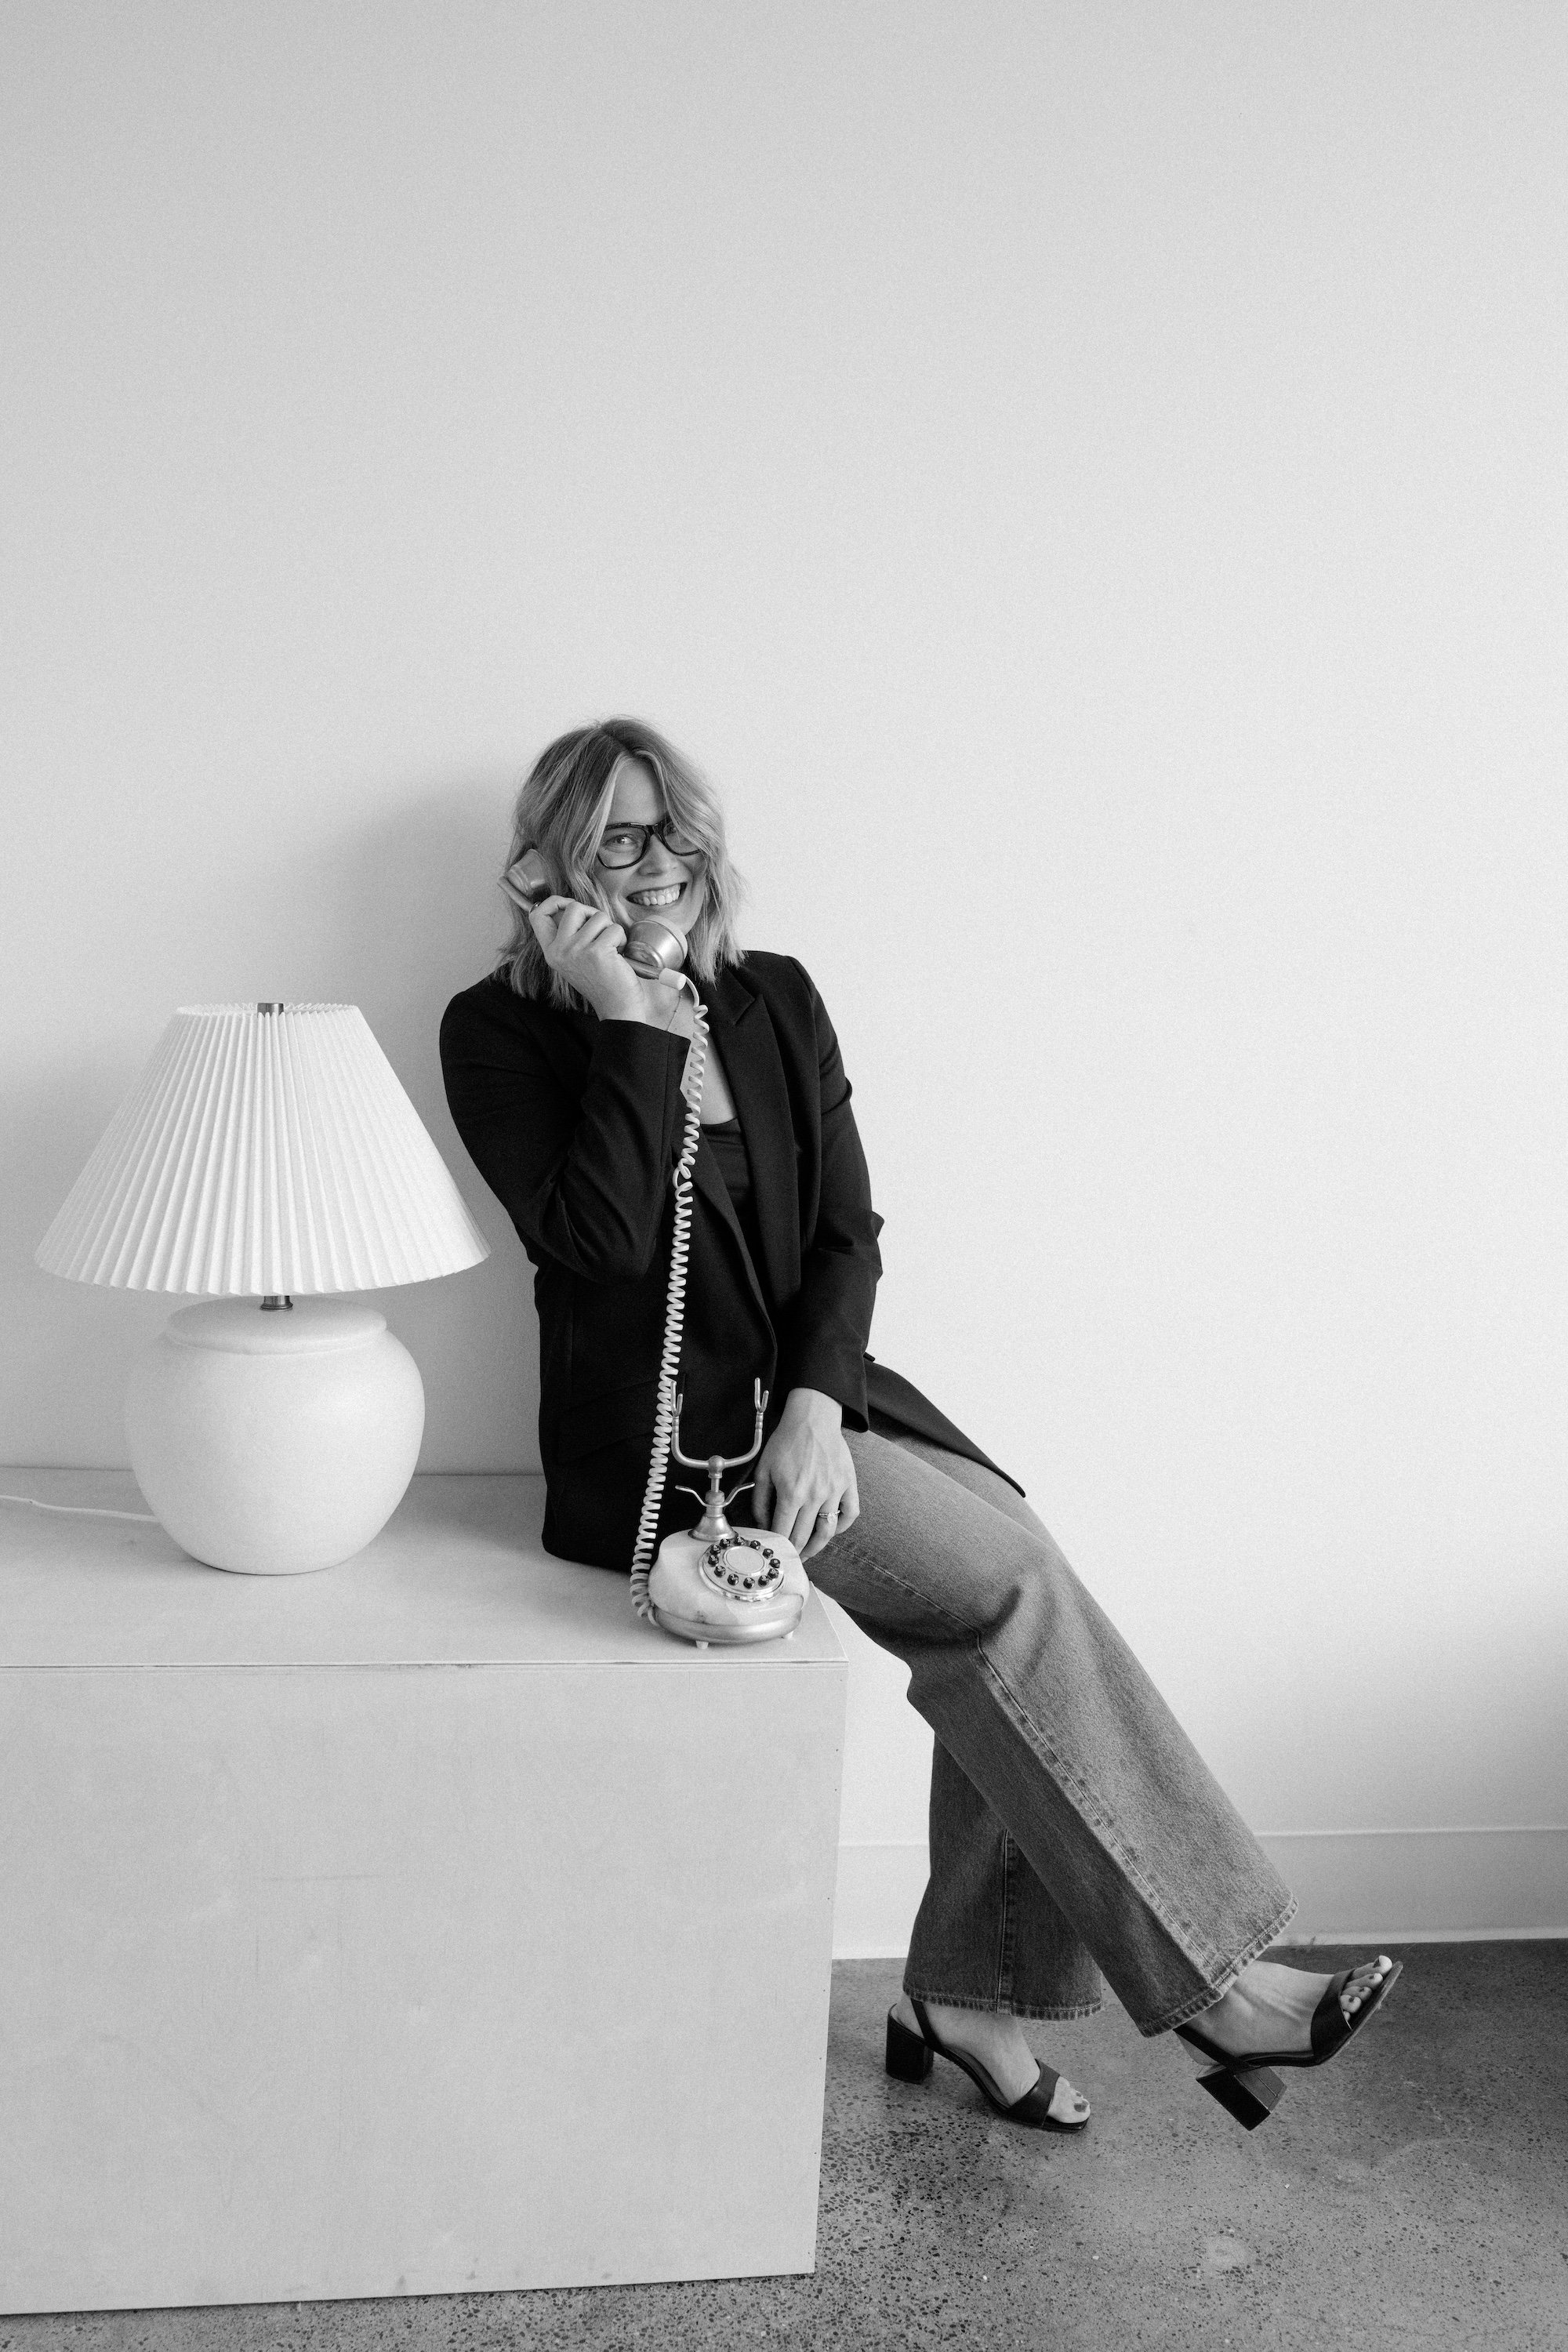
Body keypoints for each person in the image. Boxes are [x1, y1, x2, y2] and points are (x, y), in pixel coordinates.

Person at [439, 718, 1400, 2136]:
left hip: (825, 1414)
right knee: (1003, 1598)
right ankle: (1219, 1988)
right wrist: (633, 1022)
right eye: (617, 839)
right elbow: (592, 1246)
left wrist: (819, 1407)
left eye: (679, 829)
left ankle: (967, 1998)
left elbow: (847, 1229)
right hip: (672, 1465)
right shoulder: (499, 1031)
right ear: (549, 869)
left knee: (1019, 1563)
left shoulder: (774, 999)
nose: (661, 866)